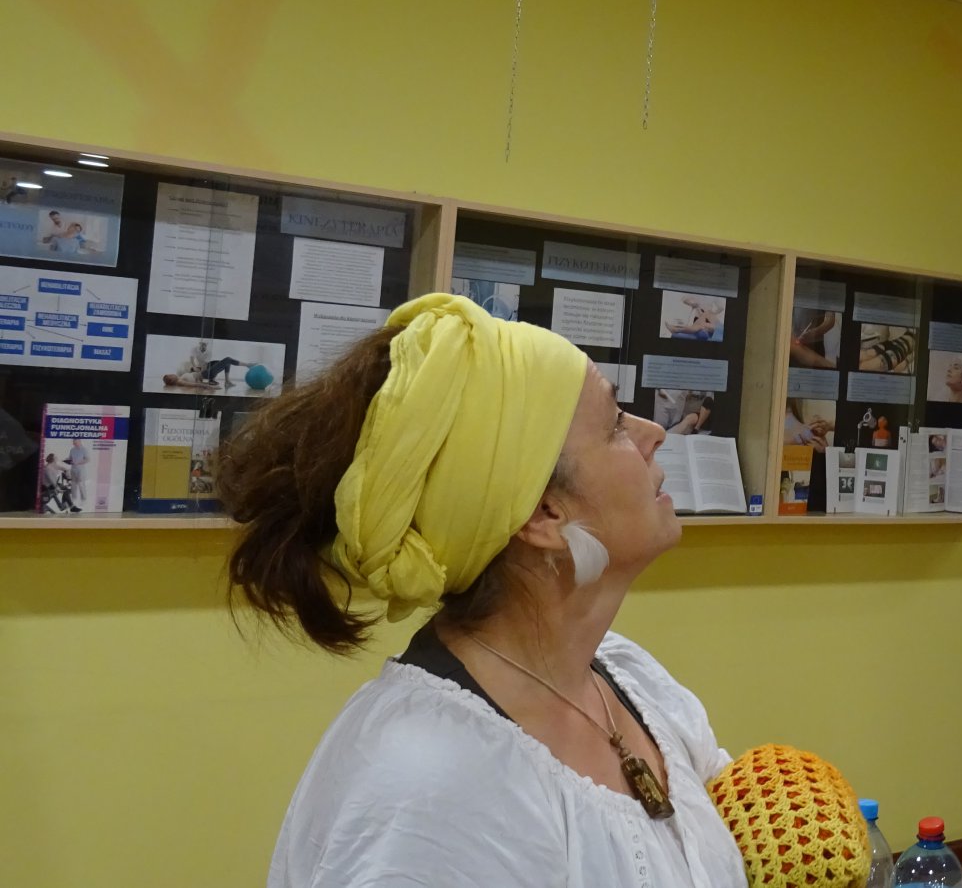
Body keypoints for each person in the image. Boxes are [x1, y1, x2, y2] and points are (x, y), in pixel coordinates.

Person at [221, 294, 747, 888]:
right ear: (545, 515)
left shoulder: (630, 679)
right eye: (616, 425)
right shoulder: (430, 791)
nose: (654, 433)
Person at [65, 439, 92, 509]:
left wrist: (78, 462)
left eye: (75, 443)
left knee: (81, 485)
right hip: (73, 469)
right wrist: (66, 460)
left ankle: (84, 499)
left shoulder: (84, 450)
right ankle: (74, 499)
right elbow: (70, 458)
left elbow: (88, 459)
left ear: (79, 442)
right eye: (73, 443)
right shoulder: (72, 450)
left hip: (81, 470)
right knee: (73, 485)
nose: (74, 444)